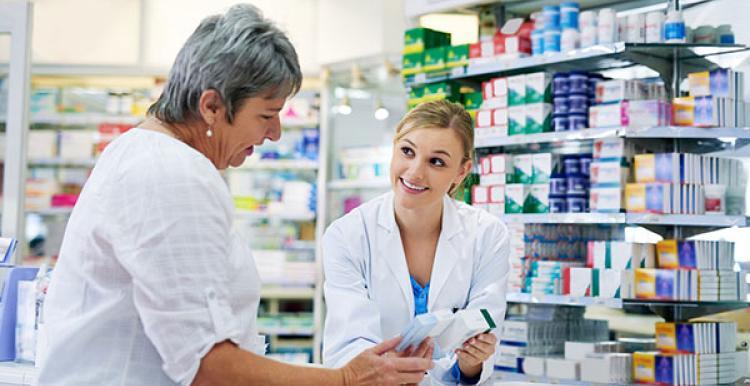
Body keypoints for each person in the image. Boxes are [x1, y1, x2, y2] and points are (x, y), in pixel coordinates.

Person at [36, 5, 432, 386]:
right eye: (266, 115)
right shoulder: (172, 174)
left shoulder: (147, 154)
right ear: (211, 106)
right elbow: (207, 366)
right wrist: (344, 379)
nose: (275, 132)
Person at [322, 100, 510, 385]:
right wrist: (388, 369)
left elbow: (481, 343)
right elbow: (347, 343)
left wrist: (471, 362)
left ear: (461, 172)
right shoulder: (348, 235)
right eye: (407, 152)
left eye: (437, 162)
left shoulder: (487, 235)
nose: (414, 172)